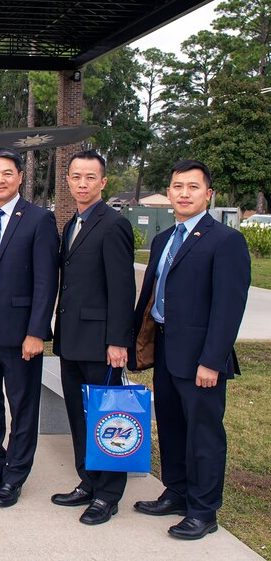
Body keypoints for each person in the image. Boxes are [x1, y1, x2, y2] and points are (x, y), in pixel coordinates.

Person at [131, 160, 250, 540]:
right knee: (170, 425)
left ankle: (203, 509)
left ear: (208, 194)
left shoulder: (225, 241)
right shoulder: (164, 239)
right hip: (166, 348)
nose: (184, 193)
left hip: (201, 358)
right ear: (168, 193)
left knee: (203, 435)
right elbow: (150, 297)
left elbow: (229, 308)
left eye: (193, 187)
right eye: (177, 186)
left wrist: (211, 360)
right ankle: (178, 492)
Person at [0, 147, 59, 508]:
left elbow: (47, 281)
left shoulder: (38, 219)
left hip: (20, 330)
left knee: (22, 404)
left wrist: (37, 331)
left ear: (20, 177)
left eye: (6, 173)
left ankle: (15, 476)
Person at [51, 149, 135, 525]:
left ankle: (109, 494)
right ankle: (88, 480)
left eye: (90, 178)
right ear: (68, 181)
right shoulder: (73, 223)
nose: (82, 184)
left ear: (103, 182)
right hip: (70, 340)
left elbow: (122, 289)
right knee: (79, 416)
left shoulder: (113, 224)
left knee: (108, 415)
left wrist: (119, 341)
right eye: (76, 177)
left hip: (102, 343)